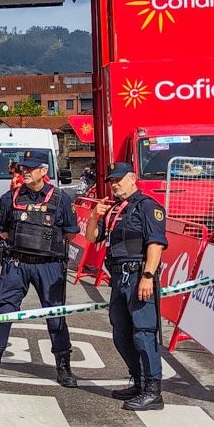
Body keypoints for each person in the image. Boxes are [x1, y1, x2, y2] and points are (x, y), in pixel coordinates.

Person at [0, 153, 80, 387]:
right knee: (5, 310)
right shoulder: (9, 198)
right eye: (23, 168)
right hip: (18, 263)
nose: (25, 171)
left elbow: (70, 233)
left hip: (49, 265)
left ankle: (64, 367)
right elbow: (3, 230)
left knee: (55, 314)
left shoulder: (61, 199)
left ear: (44, 171)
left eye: (31, 168)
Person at [84, 162, 168, 410]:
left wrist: (148, 276)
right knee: (121, 332)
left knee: (143, 332)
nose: (114, 185)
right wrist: (94, 216)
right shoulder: (114, 209)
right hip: (118, 278)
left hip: (138, 275)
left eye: (119, 180)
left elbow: (156, 244)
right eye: (112, 181)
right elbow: (91, 237)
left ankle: (153, 391)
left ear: (133, 178)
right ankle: (139, 381)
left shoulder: (147, 206)